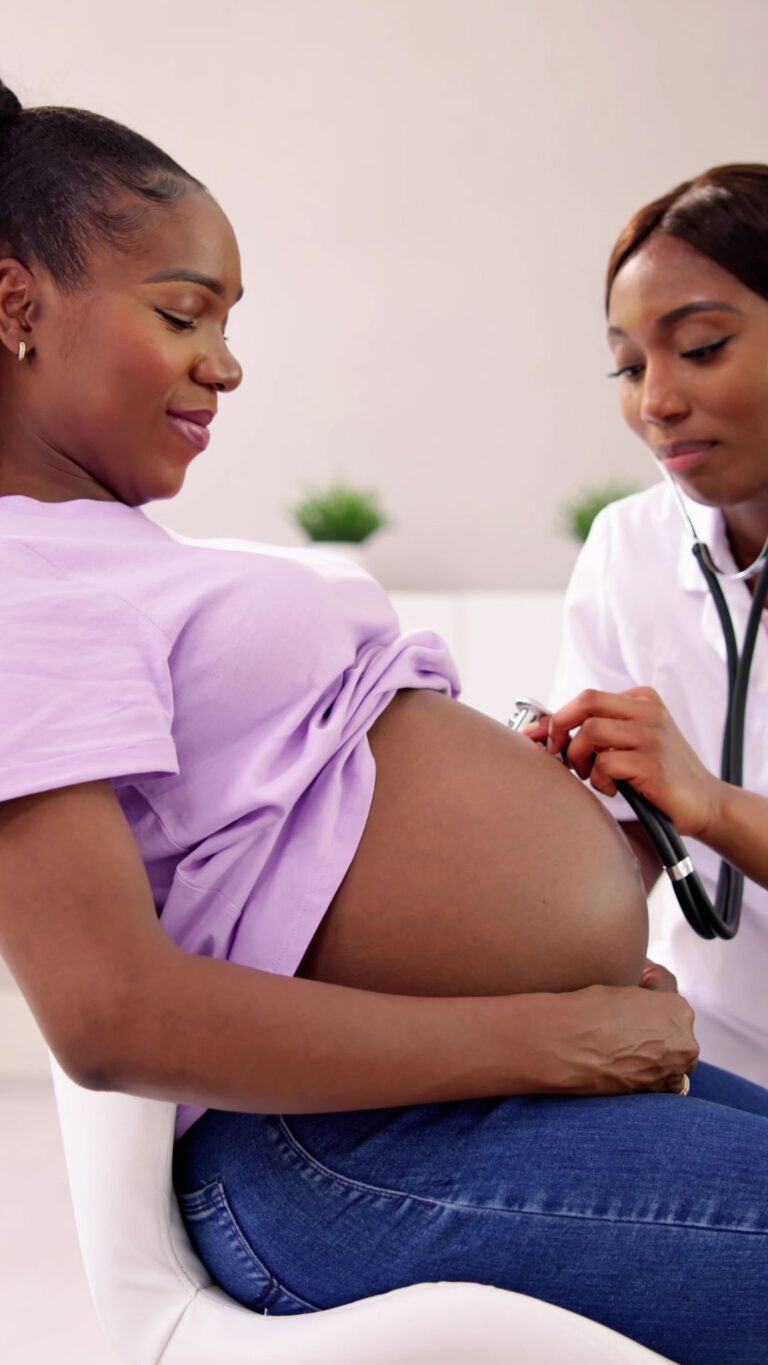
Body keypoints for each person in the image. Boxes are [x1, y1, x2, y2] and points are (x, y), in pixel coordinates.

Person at [0, 84, 766, 1365]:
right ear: (16, 306)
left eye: (228, 322)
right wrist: (546, 1034)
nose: (226, 362)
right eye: (183, 313)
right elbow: (110, 1013)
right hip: (339, 1146)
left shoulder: (102, 554)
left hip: (432, 1108)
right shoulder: (22, 582)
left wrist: (557, 902)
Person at [545, 165, 768, 1090]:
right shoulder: (628, 544)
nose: (656, 402)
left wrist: (708, 802)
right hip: (710, 1054)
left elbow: (688, 800)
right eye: (630, 367)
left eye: (702, 348)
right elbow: (620, 823)